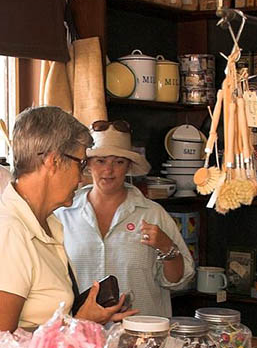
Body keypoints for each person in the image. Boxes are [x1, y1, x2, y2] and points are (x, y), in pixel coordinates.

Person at [0, 106, 135, 332]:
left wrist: (79, 321)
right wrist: (81, 324)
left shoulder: (48, 223)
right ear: (53, 161)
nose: (82, 179)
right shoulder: (10, 231)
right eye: (80, 164)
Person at [55, 120, 195, 317]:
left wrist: (167, 248)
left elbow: (179, 281)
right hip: (82, 340)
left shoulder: (153, 214)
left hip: (141, 338)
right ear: (88, 165)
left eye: (118, 162)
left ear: (129, 167)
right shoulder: (63, 214)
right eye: (101, 161)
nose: (108, 170)